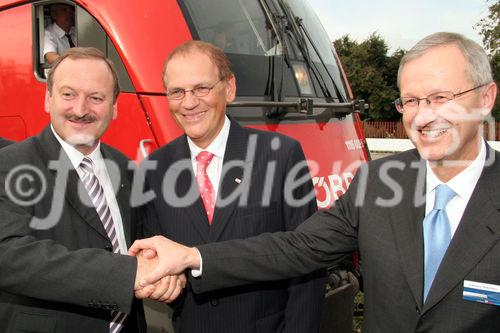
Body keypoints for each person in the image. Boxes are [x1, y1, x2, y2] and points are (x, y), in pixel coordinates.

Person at [131, 32, 500, 332]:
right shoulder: (376, 183)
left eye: (441, 97)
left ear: (486, 97)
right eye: (411, 101)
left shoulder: (279, 154)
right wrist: (193, 257)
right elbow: (297, 247)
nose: (424, 115)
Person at [138, 40, 326, 332]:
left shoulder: (280, 155)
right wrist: (163, 281)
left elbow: (308, 261)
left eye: (201, 88)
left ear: (229, 88)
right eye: (177, 91)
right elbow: (159, 263)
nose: (189, 103)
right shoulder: (153, 169)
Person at [0, 47, 183, 333]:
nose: (81, 109)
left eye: (96, 98)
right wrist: (129, 274)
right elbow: (9, 256)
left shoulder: (126, 168)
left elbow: (141, 246)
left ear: (114, 106)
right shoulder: (9, 165)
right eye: (68, 94)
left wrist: (166, 271)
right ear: (48, 99)